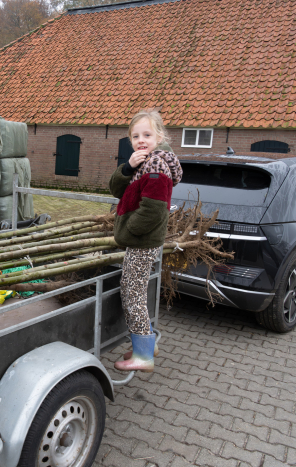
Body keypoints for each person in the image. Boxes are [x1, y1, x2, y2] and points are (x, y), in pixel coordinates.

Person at [108, 109, 182, 372]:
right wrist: (128, 167)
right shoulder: (142, 163)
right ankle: (147, 344)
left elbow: (153, 211)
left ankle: (143, 356)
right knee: (134, 290)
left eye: (147, 135)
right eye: (136, 136)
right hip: (141, 241)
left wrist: (125, 232)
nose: (141, 140)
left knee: (132, 293)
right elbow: (116, 189)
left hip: (142, 241)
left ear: (159, 136)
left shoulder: (156, 166)